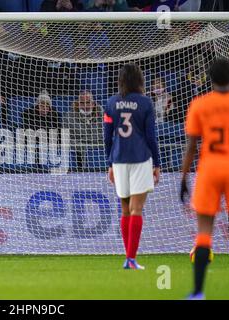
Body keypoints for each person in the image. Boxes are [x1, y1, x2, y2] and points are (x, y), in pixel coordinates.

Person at [180, 58, 229, 300]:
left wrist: (183, 176)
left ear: (210, 78)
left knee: (204, 232)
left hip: (210, 169)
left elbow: (192, 146)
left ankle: (197, 293)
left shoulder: (199, 104)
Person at [103, 63, 160, 270]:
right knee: (137, 209)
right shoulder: (146, 103)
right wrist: (157, 163)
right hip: (140, 158)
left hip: (119, 159)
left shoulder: (111, 103)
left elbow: (107, 137)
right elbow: (151, 137)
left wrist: (109, 163)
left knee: (125, 210)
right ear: (139, 80)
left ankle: (128, 259)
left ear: (121, 81)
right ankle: (131, 258)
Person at [64, 90, 103, 172]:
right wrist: (86, 142)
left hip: (99, 156)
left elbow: (104, 135)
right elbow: (66, 140)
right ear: (77, 104)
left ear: (93, 103)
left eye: (88, 102)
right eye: (82, 103)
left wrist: (82, 140)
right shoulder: (68, 117)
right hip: (78, 156)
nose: (85, 106)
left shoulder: (102, 115)